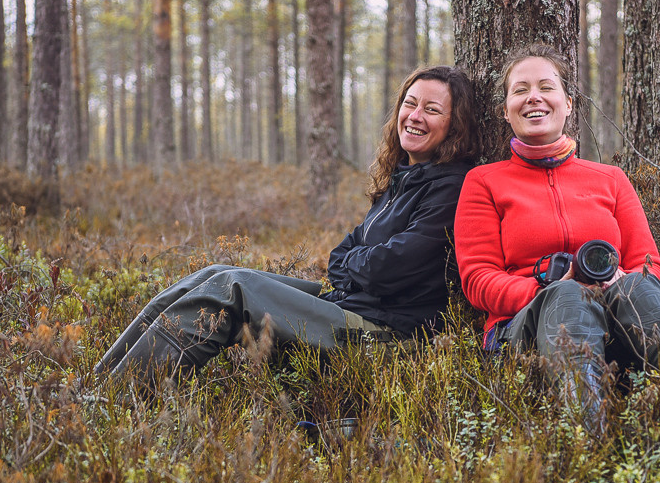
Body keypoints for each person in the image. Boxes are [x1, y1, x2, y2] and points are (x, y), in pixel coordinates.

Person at [96, 65, 479, 386]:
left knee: (235, 290)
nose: (414, 116)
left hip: (386, 334)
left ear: (454, 124)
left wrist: (353, 266)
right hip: (352, 306)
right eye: (410, 104)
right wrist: (354, 266)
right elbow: (346, 252)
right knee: (215, 273)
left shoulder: (452, 187)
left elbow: (389, 267)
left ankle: (126, 392)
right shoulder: (402, 178)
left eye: (432, 109)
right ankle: (100, 383)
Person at [453, 43, 660, 432]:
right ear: (505, 109)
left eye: (546, 86)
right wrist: (543, 289)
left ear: (568, 103)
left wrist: (616, 285)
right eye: (520, 89)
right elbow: (477, 280)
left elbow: (650, 264)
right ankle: (585, 440)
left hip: (616, 319)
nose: (534, 97)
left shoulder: (611, 179)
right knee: (567, 295)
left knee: (639, 285)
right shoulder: (483, 182)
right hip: (525, 330)